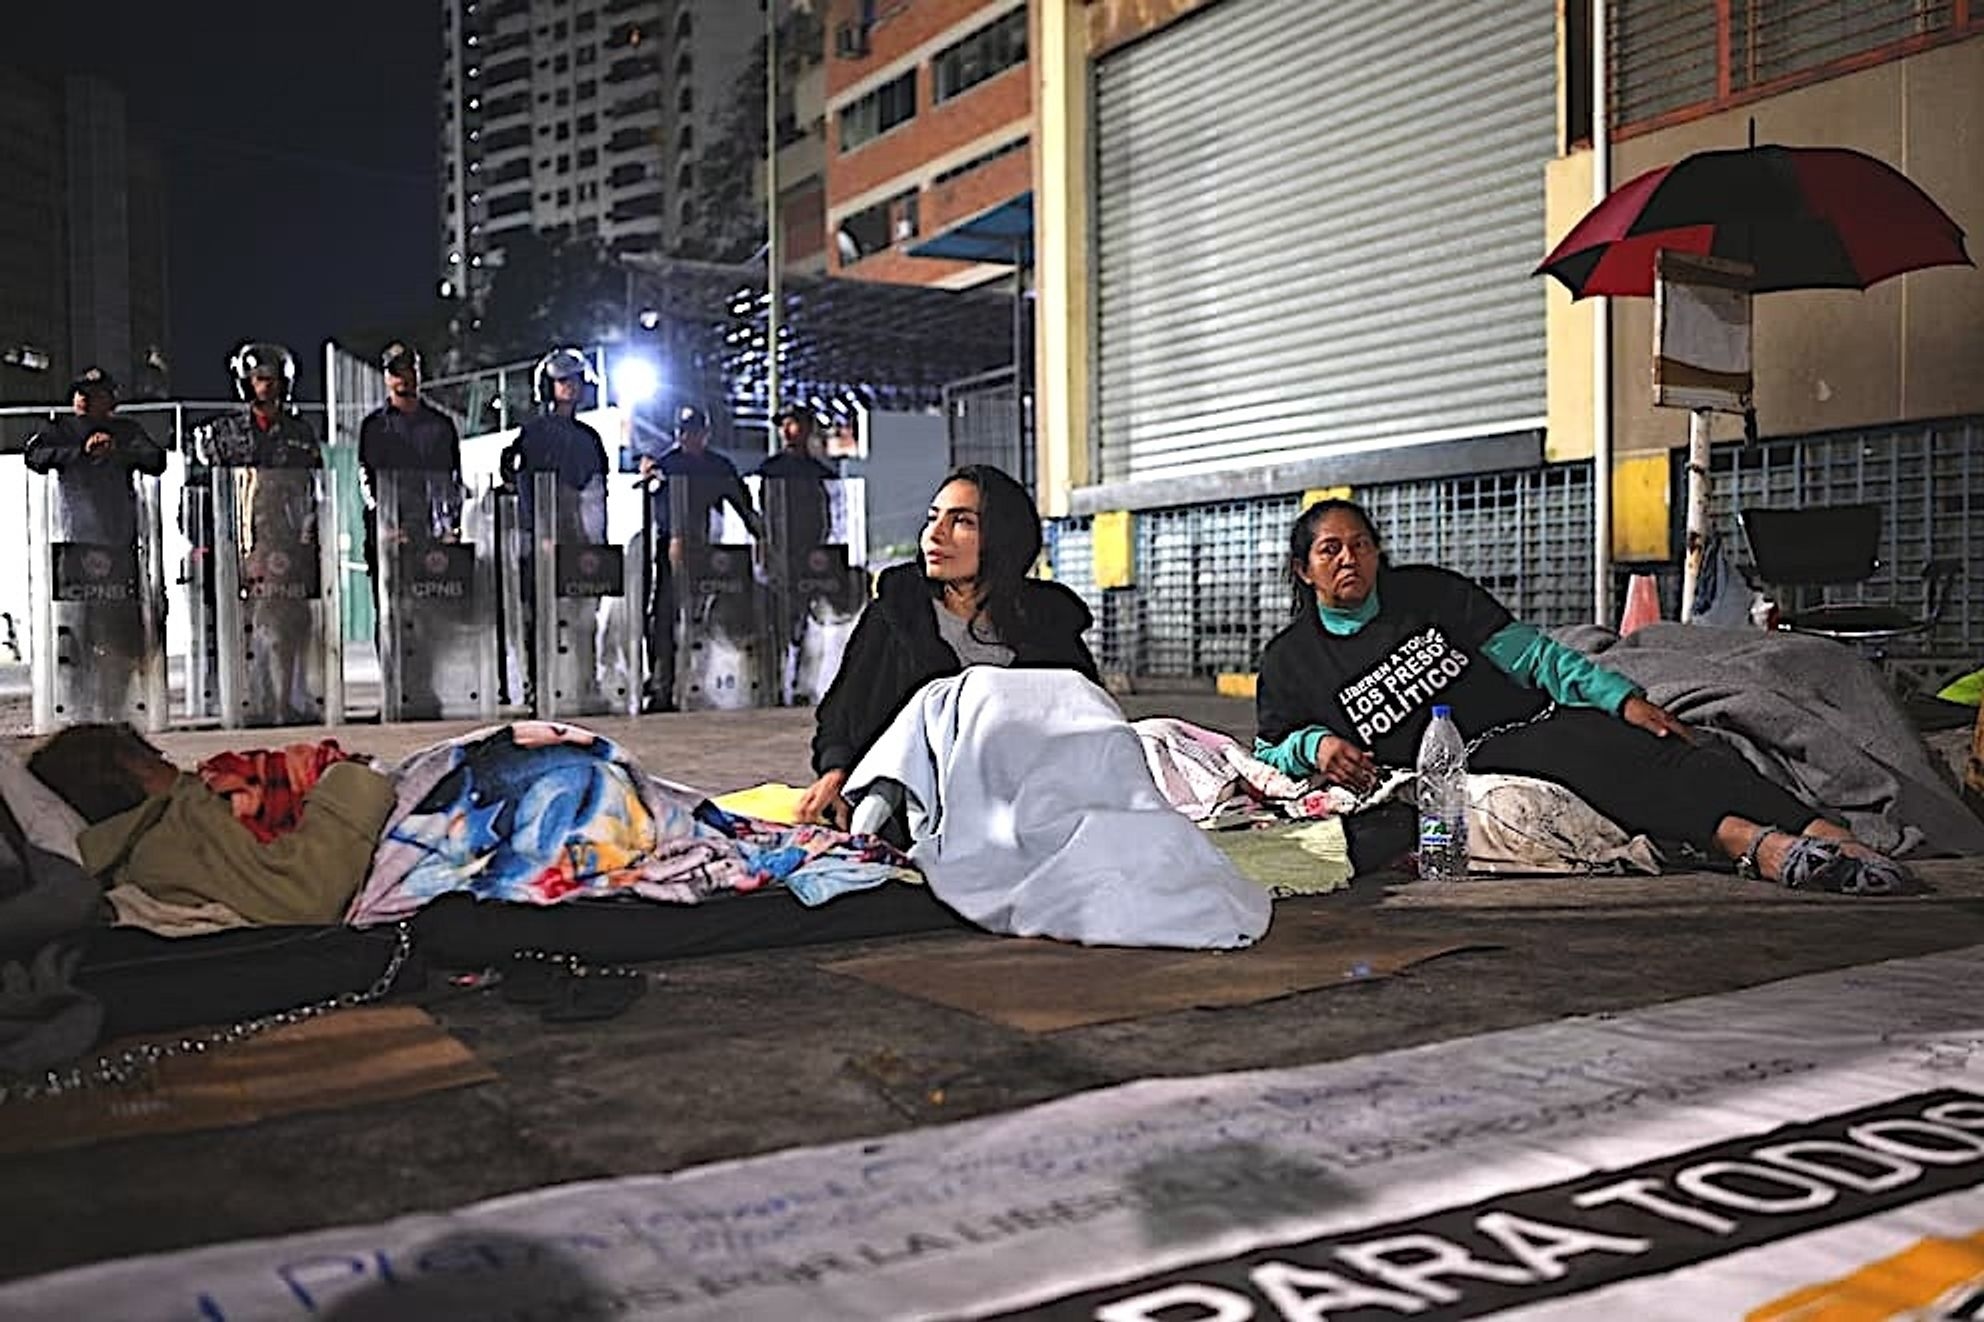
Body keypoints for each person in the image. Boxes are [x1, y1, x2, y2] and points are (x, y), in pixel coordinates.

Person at [1254, 499, 1920, 894]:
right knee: (1603, 766)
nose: (1351, 561)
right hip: (1464, 764)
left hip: (1530, 719)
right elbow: (1265, 757)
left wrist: (1622, 698)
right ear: (1303, 568)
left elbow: (1535, 657)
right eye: (1332, 550)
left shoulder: (1428, 593)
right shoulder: (1292, 661)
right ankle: (1761, 849)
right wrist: (1316, 744)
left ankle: (1827, 834)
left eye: (1363, 545)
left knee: (1664, 742)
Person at [796, 465, 1099, 828]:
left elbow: (1085, 723)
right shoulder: (895, 616)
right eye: (932, 518)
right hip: (912, 812)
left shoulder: (1047, 627)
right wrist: (836, 771)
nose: (935, 535)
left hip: (1026, 809)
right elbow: (839, 715)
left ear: (1002, 538)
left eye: (962, 522)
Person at [25, 723, 394, 927]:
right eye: (154, 755)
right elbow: (302, 892)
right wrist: (348, 779)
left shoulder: (172, 823)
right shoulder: (171, 832)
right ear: (135, 766)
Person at [23, 368, 169, 716]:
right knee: (78, 629)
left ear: (110, 399)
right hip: (74, 546)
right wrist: (80, 450)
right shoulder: (59, 430)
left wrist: (116, 450)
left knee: (119, 629)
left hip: (120, 545)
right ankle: (76, 706)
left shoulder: (127, 430)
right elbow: (35, 457)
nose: (84, 398)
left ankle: (117, 707)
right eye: (80, 392)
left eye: (95, 393)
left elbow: (156, 460)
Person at [195, 342, 325, 725]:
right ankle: (238, 701)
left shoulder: (300, 433)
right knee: (237, 628)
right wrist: (203, 541)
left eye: (272, 380)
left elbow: (314, 493)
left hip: (287, 547)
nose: (265, 387)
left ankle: (289, 702)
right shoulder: (222, 435)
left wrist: (310, 540)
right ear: (245, 383)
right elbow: (202, 493)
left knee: (290, 627)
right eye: (257, 379)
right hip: (236, 546)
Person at [637, 404, 765, 713]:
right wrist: (674, 537)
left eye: (695, 432)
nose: (689, 437)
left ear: (705, 434)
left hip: (707, 549)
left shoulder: (718, 466)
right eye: (684, 432)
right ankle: (661, 684)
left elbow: (742, 503)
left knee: (708, 618)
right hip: (668, 549)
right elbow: (658, 505)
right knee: (663, 615)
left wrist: (762, 535)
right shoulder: (666, 464)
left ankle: (705, 680)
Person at [499, 348, 609, 704]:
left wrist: (596, 540)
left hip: (579, 536)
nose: (570, 388)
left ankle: (583, 682)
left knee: (584, 619)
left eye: (575, 380)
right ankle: (538, 686)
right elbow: (526, 484)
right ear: (547, 386)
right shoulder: (533, 435)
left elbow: (596, 490)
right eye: (562, 381)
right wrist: (541, 532)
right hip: (541, 540)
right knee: (539, 617)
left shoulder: (589, 438)